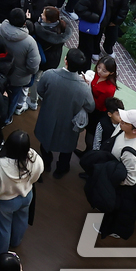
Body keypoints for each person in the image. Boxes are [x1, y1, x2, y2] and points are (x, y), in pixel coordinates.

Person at [35, 48, 94, 178]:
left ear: (65, 60)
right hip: (69, 123)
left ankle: (46, 162)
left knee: (45, 140)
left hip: (48, 116)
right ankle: (61, 169)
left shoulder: (49, 74)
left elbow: (40, 91)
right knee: (67, 147)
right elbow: (90, 106)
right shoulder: (83, 87)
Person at [0, 130, 43, 256]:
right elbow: (37, 174)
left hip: (4, 201)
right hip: (27, 195)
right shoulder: (34, 157)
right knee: (21, 220)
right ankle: (16, 241)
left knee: (2, 228)